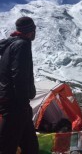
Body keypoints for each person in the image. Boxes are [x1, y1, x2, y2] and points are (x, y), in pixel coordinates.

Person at [0, 17, 39, 154]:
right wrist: (22, 102)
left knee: (30, 146)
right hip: (16, 105)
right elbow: (19, 75)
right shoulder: (22, 44)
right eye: (34, 30)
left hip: (14, 103)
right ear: (30, 31)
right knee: (7, 146)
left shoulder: (9, 46)